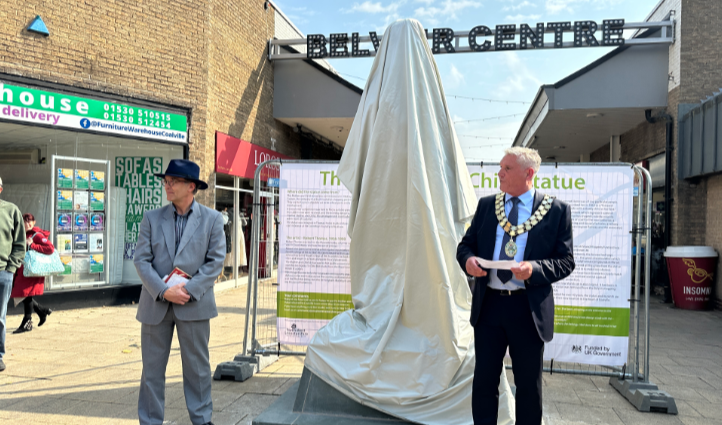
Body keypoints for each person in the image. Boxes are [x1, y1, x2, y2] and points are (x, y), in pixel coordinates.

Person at [456, 147, 575, 425]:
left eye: (507, 169)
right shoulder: (487, 205)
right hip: (489, 307)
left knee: (529, 387)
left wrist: (534, 269)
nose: (500, 173)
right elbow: (466, 245)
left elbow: (566, 261)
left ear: (528, 173)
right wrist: (468, 261)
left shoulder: (556, 211)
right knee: (484, 381)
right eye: (500, 167)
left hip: (527, 310)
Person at [134, 159, 225, 425]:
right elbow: (141, 260)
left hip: (194, 304)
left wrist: (187, 290)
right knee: (151, 372)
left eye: (173, 181)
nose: (167, 185)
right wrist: (164, 291)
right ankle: (150, 421)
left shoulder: (212, 219)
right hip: (155, 305)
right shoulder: (151, 218)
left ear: (191, 186)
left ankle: (202, 419)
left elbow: (215, 262)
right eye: (166, 181)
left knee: (197, 369)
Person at [11, 213, 54, 333]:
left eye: (30, 221)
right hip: (22, 270)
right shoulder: (22, 234)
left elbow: (50, 248)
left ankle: (27, 322)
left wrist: (33, 245)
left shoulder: (36, 234)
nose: (28, 223)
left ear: (34, 222)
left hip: (31, 270)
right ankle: (41, 311)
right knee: (22, 294)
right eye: (25, 221)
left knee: (26, 294)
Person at [0, 176, 26, 371]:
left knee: (0, 317)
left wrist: (10, 269)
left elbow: (20, 244)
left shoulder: (11, 211)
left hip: (3, 273)